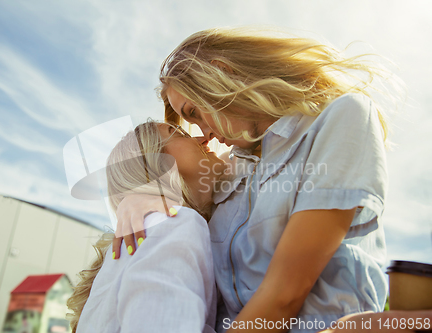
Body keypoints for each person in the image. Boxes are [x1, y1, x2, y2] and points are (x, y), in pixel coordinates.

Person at [112, 27, 403, 332]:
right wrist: (138, 196)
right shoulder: (227, 169)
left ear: (221, 73)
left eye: (195, 112)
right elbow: (181, 189)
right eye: (190, 123)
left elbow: (284, 296)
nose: (205, 134)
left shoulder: (340, 119)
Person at [66, 121, 228, 333]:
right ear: (157, 162)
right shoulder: (172, 222)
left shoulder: (151, 228)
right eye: (178, 133)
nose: (203, 138)